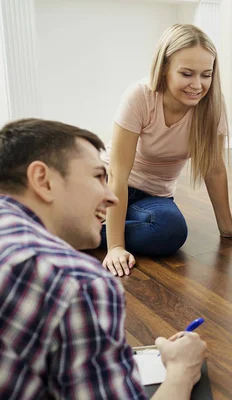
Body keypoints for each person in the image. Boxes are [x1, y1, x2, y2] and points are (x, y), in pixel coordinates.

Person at [0, 118, 207, 399]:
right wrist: (183, 369)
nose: (111, 198)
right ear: (42, 179)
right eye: (99, 176)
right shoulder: (77, 282)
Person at [102, 24, 232, 277]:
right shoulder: (140, 96)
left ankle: (88, 230)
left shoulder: (212, 106)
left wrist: (227, 227)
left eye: (206, 74)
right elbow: (118, 175)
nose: (197, 85)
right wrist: (115, 247)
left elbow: (214, 170)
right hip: (111, 186)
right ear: (164, 69)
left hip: (154, 198)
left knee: (171, 230)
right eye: (186, 73)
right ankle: (96, 230)